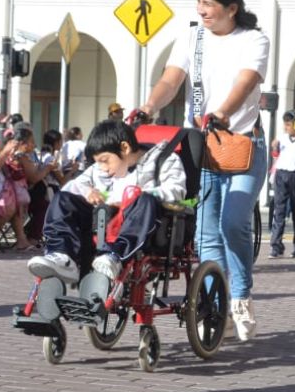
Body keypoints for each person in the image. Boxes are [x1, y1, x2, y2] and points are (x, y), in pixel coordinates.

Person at [137, 0, 270, 342]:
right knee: (205, 233)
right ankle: (218, 306)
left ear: (232, 8)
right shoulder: (192, 36)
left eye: (208, 5)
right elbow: (171, 80)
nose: (202, 10)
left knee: (233, 222)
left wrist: (224, 111)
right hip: (201, 146)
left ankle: (241, 296)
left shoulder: (254, 39)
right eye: (199, 2)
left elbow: (247, 81)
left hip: (242, 144)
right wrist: (149, 106)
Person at [27, 118, 186, 288]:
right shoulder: (100, 167)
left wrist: (134, 196)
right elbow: (75, 185)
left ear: (124, 148)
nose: (102, 167)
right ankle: (62, 256)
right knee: (63, 198)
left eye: (104, 160)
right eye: (98, 162)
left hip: (140, 223)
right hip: (102, 221)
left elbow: (176, 190)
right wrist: (88, 191)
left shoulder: (165, 159)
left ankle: (115, 256)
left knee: (145, 200)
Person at [269, 110, 295, 258]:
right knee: (279, 212)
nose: (286, 127)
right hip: (282, 174)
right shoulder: (282, 138)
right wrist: (274, 148)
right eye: (285, 124)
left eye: (289, 124)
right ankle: (276, 246)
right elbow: (276, 156)